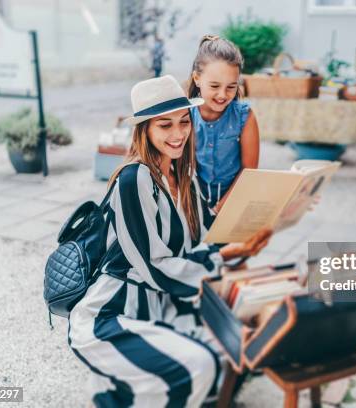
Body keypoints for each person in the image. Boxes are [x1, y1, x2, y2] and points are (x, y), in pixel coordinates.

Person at [68, 75, 271, 407]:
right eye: (165, 126)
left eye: (183, 122)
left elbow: (212, 236)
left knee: (240, 343)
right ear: (145, 129)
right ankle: (117, 394)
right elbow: (153, 268)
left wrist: (273, 212)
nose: (178, 134)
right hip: (112, 313)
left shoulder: (184, 178)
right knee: (200, 363)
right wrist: (222, 258)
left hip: (161, 306)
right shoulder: (133, 179)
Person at [187, 35, 260, 211]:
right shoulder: (185, 115)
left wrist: (221, 208)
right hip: (192, 202)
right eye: (214, 86)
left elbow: (249, 171)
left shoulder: (245, 116)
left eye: (231, 87)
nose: (222, 95)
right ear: (197, 78)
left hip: (234, 199)